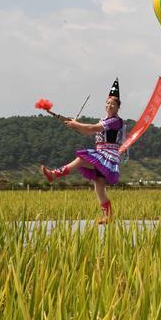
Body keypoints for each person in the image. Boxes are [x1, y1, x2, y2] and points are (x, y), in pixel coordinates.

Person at [40, 78, 125, 224]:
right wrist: (75, 126)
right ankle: (108, 216)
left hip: (107, 155)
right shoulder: (104, 119)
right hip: (102, 154)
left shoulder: (115, 121)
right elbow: (87, 132)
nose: (109, 105)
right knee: (99, 187)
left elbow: (92, 128)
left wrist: (76, 124)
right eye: (108, 103)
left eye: (113, 104)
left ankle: (54, 174)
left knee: (81, 159)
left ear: (118, 108)